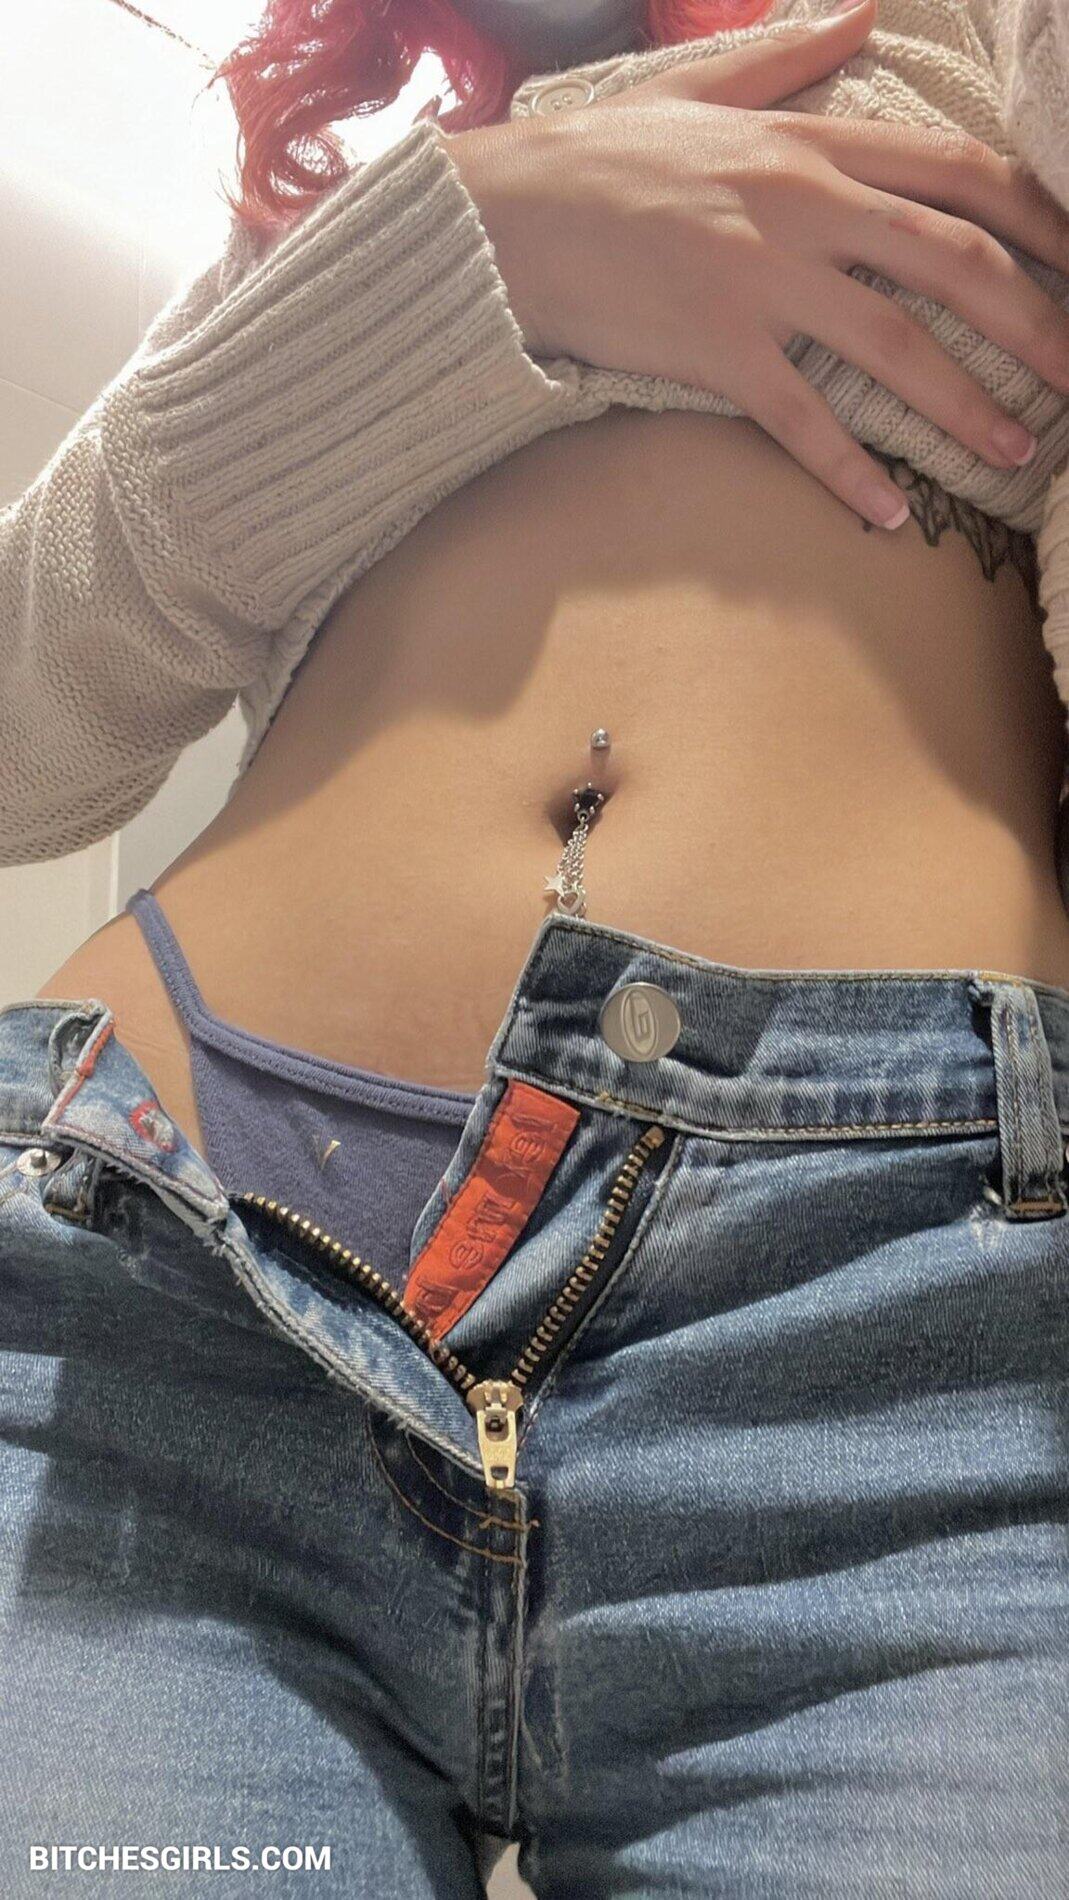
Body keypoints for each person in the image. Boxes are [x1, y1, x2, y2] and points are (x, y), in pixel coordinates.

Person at [1, 1, 1067, 1891]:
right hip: (155, 1251)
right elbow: (27, 732)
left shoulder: (973, 38)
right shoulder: (347, 209)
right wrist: (470, 248)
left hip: (899, 1309)